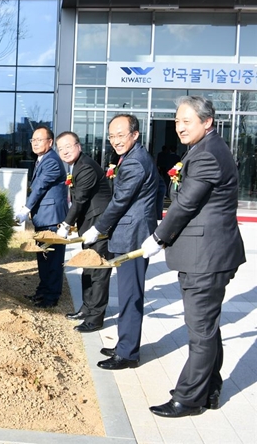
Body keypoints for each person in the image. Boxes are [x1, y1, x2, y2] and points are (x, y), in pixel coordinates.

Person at [143, 96, 245, 418]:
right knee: (208, 329)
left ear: (207, 122)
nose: (180, 127)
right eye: (176, 121)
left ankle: (187, 399)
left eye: (187, 121)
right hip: (209, 255)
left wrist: (158, 237)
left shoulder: (207, 156)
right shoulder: (205, 149)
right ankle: (210, 390)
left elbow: (186, 203)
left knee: (199, 332)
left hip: (207, 258)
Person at [82, 114, 158, 370]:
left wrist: (98, 228)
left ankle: (127, 354)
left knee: (130, 295)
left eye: (120, 134)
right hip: (133, 233)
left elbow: (121, 201)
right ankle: (124, 344)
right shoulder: (132, 157)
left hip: (133, 237)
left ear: (135, 134)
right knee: (127, 294)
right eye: (112, 135)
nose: (115, 140)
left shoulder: (135, 162)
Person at [55, 132, 112, 333]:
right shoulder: (76, 166)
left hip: (99, 225)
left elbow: (80, 200)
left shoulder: (86, 167)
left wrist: (65, 225)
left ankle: (95, 318)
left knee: (98, 272)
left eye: (68, 146)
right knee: (87, 267)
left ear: (78, 146)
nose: (64, 151)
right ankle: (86, 309)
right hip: (89, 224)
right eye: (60, 148)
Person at [16, 127, 68, 308]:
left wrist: (25, 209)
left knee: (53, 260)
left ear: (50, 142)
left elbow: (39, 186)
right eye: (33, 140)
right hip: (43, 217)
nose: (35, 143)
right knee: (43, 258)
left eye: (40, 139)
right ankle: (43, 291)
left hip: (52, 219)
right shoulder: (41, 159)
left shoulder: (52, 161)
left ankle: (51, 297)